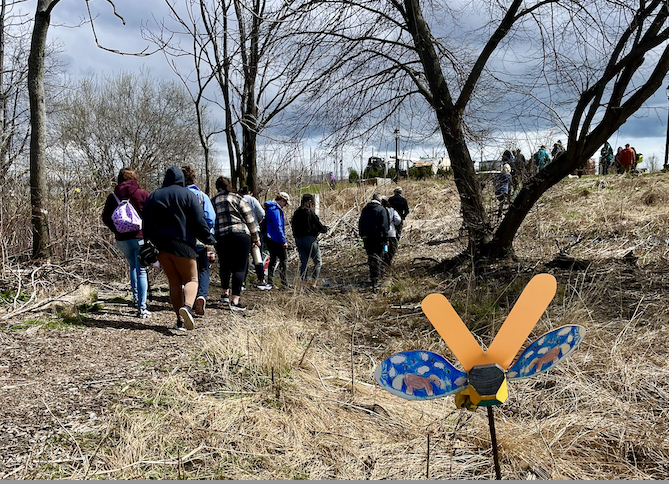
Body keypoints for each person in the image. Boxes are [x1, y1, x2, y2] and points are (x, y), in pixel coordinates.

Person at [143, 165, 216, 332]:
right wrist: (209, 239)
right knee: (192, 280)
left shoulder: (154, 195)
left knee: (174, 283)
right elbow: (199, 222)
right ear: (181, 180)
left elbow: (145, 222)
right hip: (183, 244)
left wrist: (147, 242)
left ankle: (179, 321)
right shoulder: (188, 195)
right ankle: (188, 308)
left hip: (161, 246)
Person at [101, 168, 151, 319]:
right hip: (140, 237)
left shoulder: (113, 197)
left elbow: (105, 217)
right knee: (141, 270)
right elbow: (152, 215)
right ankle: (142, 308)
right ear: (134, 178)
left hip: (122, 239)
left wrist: (116, 230)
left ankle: (136, 298)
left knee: (133, 267)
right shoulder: (142, 194)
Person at [211, 177, 261, 311]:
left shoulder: (213, 201)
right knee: (240, 267)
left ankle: (224, 293)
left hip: (221, 236)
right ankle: (235, 300)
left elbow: (210, 220)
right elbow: (249, 218)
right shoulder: (237, 198)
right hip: (240, 235)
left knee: (224, 265)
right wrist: (255, 238)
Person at [182, 165, 216, 317]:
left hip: (182, 239)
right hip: (200, 240)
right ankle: (201, 296)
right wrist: (206, 233)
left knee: (187, 271)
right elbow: (210, 218)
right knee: (203, 268)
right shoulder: (202, 196)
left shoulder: (178, 196)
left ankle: (188, 299)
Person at [291, 193, 328, 289]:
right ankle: (313, 284)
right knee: (318, 262)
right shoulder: (309, 213)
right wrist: (325, 229)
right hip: (310, 240)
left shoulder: (296, 213)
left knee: (304, 262)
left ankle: (303, 284)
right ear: (310, 202)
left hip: (298, 240)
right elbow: (318, 225)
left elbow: (293, 227)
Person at [239, 186, 270, 290]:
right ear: (249, 192)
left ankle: (242, 281)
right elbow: (262, 214)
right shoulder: (252, 200)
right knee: (257, 256)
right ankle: (261, 280)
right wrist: (258, 220)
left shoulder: (238, 199)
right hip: (254, 230)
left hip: (242, 231)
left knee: (243, 258)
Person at [358, 193, 389, 291]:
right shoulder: (381, 209)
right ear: (379, 200)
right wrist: (385, 238)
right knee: (378, 257)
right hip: (378, 238)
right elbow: (384, 226)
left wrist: (362, 235)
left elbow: (360, 223)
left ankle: (373, 277)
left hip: (367, 238)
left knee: (371, 257)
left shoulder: (365, 209)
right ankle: (376, 280)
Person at [264, 191, 291, 289]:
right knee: (283, 260)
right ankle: (284, 283)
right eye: (285, 203)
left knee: (273, 259)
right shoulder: (275, 209)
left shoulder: (269, 207)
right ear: (282, 200)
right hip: (275, 238)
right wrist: (283, 240)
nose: (285, 206)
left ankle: (270, 282)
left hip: (269, 237)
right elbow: (278, 226)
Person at [381, 196, 402, 266]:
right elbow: (398, 220)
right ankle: (388, 261)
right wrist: (394, 224)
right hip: (391, 232)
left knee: (382, 248)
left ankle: (383, 261)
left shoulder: (378, 209)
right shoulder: (392, 210)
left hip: (380, 233)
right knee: (392, 249)